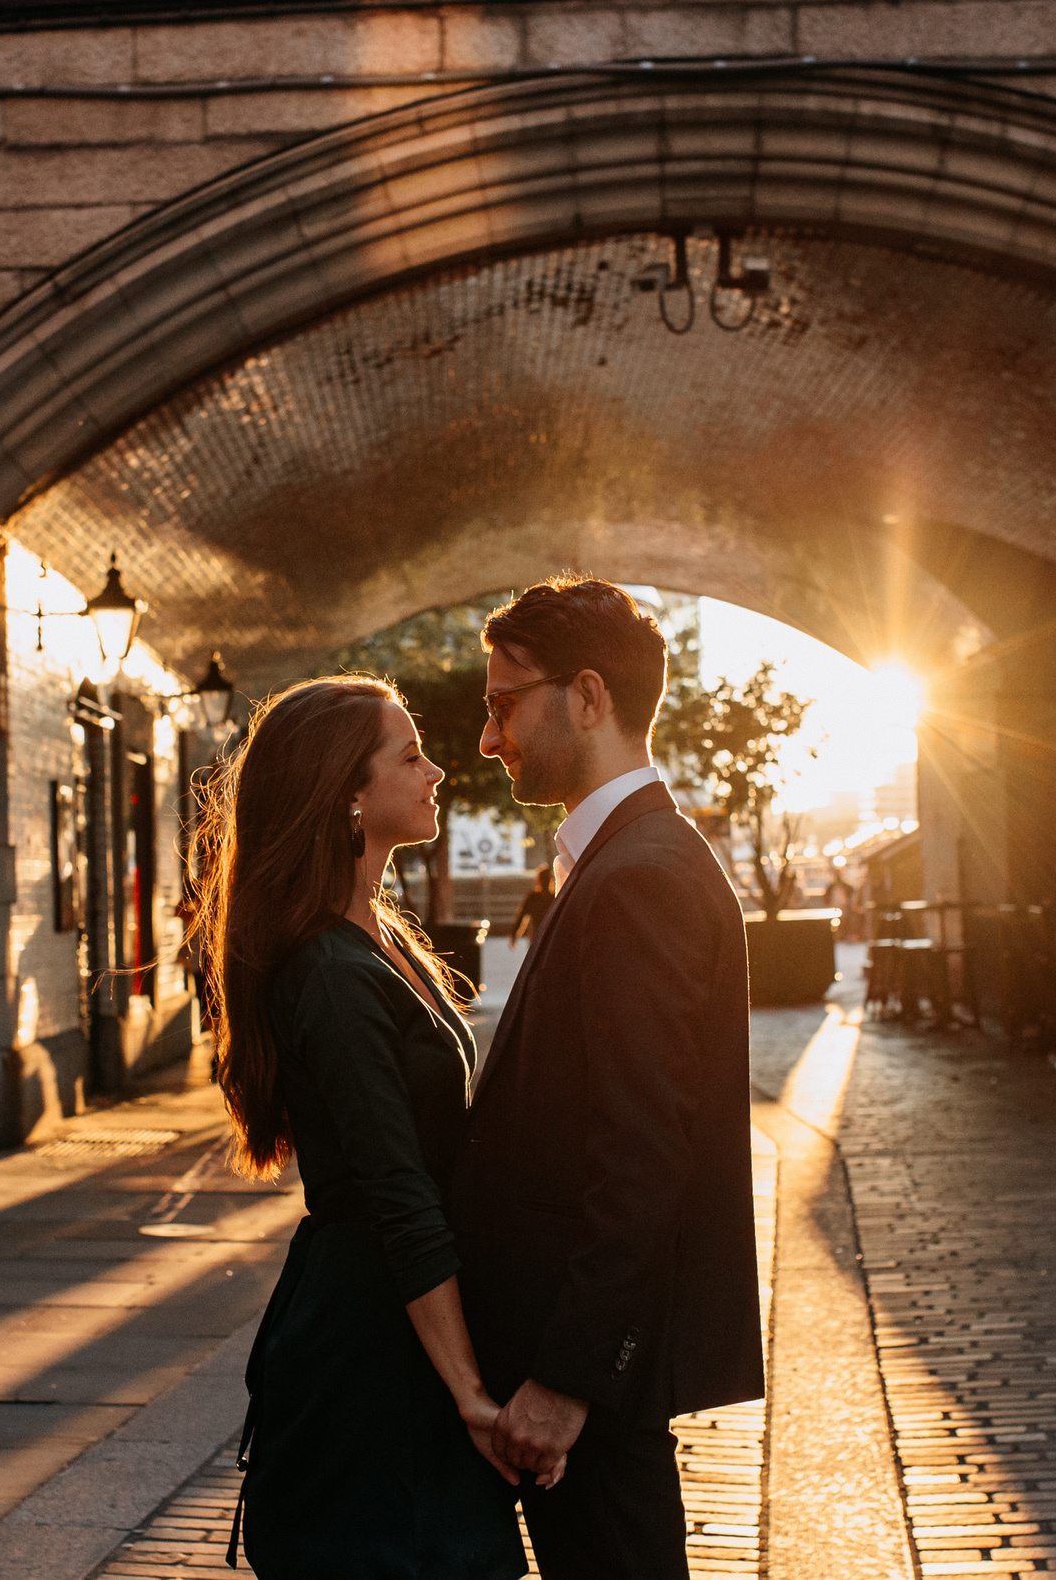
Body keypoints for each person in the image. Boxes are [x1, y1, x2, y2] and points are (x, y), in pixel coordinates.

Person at [453, 576, 763, 1580]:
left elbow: (640, 1158)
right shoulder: (623, 861)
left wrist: (565, 1383)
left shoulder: (641, 877)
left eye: (503, 705)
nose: (488, 739)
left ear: (586, 697)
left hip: (585, 1389)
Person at [186, 678, 526, 1580]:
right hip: (375, 1351)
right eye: (410, 754)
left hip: (401, 1320)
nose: (438, 769)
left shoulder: (375, 933)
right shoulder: (331, 970)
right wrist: (470, 1396)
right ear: (347, 789)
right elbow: (396, 1193)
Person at [506, 859, 555, 949]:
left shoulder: (532, 898)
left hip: (536, 936)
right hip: (552, 937)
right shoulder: (555, 898)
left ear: (537, 880)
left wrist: (514, 935)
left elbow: (521, 916)